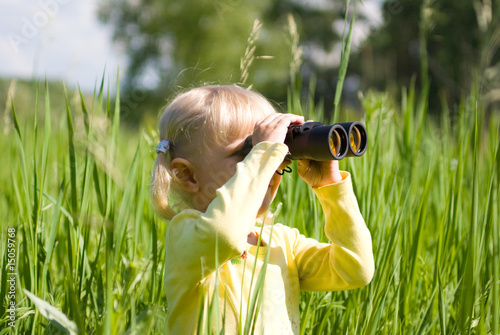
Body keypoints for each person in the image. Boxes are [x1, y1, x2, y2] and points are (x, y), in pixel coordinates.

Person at [150, 85, 374, 334]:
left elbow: (355, 269)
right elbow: (224, 234)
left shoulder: (283, 244)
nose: (270, 165)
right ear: (188, 175)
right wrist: (264, 154)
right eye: (248, 152)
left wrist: (329, 187)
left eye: (278, 154)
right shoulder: (184, 235)